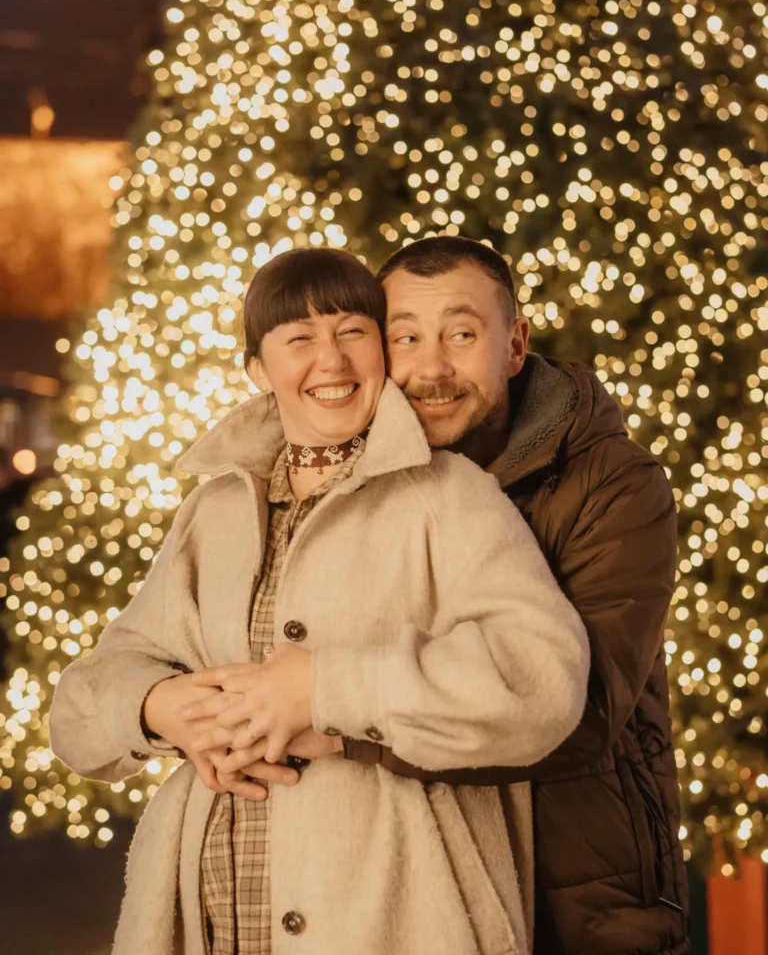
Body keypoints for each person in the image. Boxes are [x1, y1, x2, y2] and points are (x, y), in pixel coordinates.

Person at [49, 247, 589, 955]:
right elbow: (78, 713)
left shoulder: (449, 496)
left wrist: (324, 691)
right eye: (299, 339)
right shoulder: (214, 511)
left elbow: (540, 680)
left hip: (393, 921)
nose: (330, 360)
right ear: (257, 370)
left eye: (352, 332)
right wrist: (158, 708)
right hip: (208, 922)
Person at [207, 236, 688, 955]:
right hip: (427, 883)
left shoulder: (613, 485)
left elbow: (578, 712)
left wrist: (328, 718)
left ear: (515, 345)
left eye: (462, 336)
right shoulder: (347, 477)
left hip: (581, 884)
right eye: (405, 338)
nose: (431, 369)